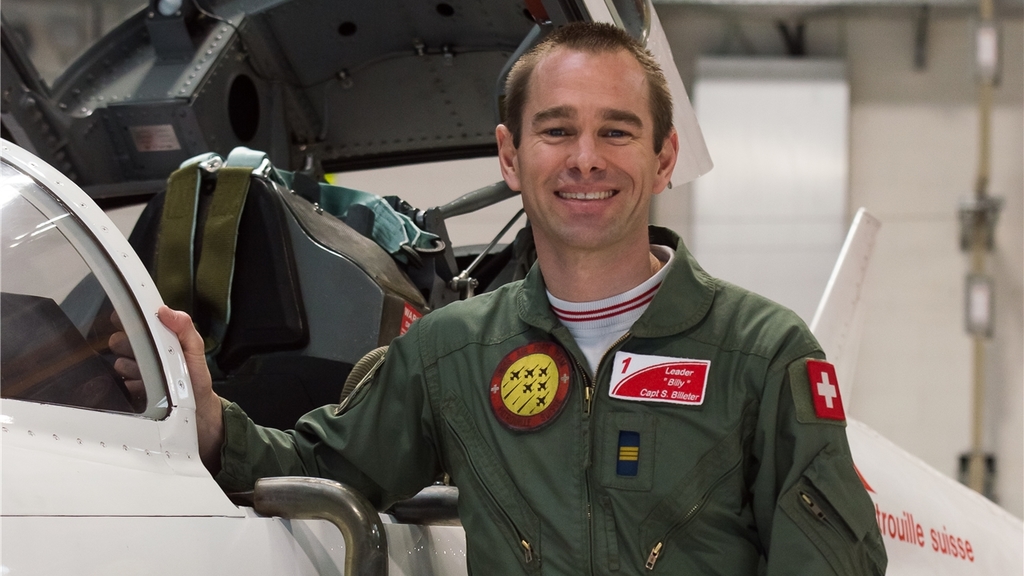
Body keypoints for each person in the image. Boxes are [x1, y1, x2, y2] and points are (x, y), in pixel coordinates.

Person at [142, 22, 886, 575]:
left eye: (616, 132)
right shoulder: (450, 352)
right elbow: (321, 468)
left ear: (664, 158)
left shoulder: (762, 354)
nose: (586, 158)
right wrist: (208, 418)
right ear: (510, 154)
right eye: (557, 130)